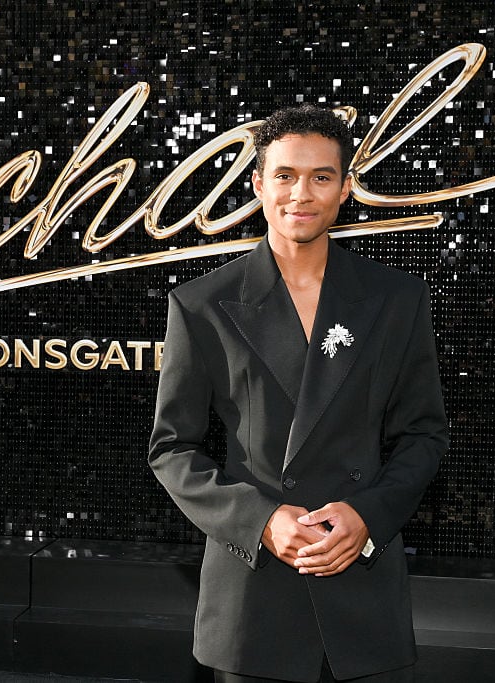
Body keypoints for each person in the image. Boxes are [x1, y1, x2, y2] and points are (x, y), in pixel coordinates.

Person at [148, 105, 449, 682]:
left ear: (345, 188)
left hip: (362, 583)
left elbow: (423, 435)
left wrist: (368, 516)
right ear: (258, 185)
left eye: (321, 177)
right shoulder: (202, 304)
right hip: (255, 594)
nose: (301, 194)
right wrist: (262, 521)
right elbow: (172, 449)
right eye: (285, 175)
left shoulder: (397, 299)